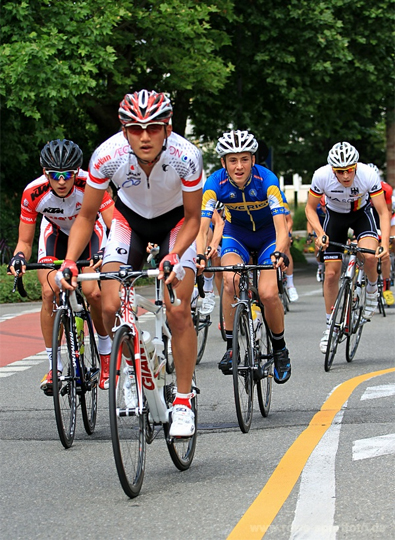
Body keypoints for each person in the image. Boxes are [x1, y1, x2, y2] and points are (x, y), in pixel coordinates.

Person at [56, 90, 203, 437]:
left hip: (177, 225)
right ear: (124, 131)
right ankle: (129, 370)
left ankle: (182, 402)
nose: (145, 136)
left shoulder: (186, 156)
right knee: (108, 307)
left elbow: (195, 218)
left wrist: (174, 254)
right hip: (128, 223)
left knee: (178, 309)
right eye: (136, 128)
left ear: (167, 127)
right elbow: (87, 215)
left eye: (153, 127)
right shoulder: (107, 156)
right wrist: (69, 261)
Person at [7, 139, 114, 392]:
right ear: (46, 173)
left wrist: (105, 251)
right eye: (55, 175)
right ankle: (54, 367)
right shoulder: (33, 193)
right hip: (55, 234)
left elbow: (114, 223)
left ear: (77, 172)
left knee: (93, 292)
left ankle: (107, 357)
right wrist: (19, 258)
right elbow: (24, 241)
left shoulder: (91, 184)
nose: (62, 180)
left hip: (91, 234)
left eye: (68, 174)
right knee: (49, 292)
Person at [196, 130, 292, 384]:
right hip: (235, 235)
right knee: (230, 280)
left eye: (245, 159)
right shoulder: (214, 184)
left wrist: (280, 252)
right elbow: (202, 227)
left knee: (269, 293)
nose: (239, 166)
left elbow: (282, 228)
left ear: (253, 159)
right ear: (223, 163)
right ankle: (231, 346)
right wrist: (199, 254)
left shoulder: (267, 180)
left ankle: (280, 349)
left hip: (267, 237)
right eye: (232, 160)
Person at [305, 142, 390, 354]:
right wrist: (319, 232)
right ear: (332, 170)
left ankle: (372, 288)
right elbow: (310, 208)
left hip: (362, 215)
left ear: (355, 166)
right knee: (331, 274)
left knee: (370, 257)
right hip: (335, 218)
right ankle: (330, 327)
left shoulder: (368, 174)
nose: (345, 176)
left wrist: (385, 244)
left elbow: (383, 212)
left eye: (349, 170)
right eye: (340, 172)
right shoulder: (321, 175)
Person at [367, 163, 394, 306]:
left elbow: (387, 213)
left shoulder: (386, 189)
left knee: (385, 254)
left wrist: (385, 236)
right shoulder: (360, 186)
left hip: (382, 216)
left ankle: (386, 288)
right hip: (367, 215)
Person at [199, 201, 226, 315]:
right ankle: (208, 288)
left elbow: (219, 223)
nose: (218, 213)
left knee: (219, 267)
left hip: (224, 234)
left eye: (220, 211)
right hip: (210, 233)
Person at [281, 192, 299, 302]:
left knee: (286, 248)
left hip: (281, 227)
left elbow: (289, 221)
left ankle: (290, 284)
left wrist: (286, 235)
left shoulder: (279, 195)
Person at [306, 195, 327, 281]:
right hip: (319, 227)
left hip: (329, 227)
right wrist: (310, 234)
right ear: (320, 205)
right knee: (317, 247)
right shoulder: (317, 209)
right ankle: (320, 267)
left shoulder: (332, 209)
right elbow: (310, 222)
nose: (325, 209)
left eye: (326, 206)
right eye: (323, 206)